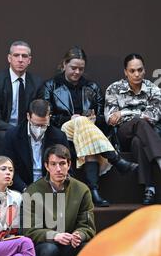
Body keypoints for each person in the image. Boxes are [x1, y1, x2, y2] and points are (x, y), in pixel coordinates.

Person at [44, 46, 137, 207]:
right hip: (63, 131)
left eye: (81, 68)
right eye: (73, 67)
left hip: (87, 134)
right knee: (80, 122)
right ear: (64, 64)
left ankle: (94, 191)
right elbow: (46, 115)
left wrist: (94, 120)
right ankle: (115, 159)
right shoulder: (51, 86)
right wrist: (69, 118)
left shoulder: (92, 87)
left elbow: (104, 117)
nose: (77, 72)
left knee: (86, 133)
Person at [22, 145, 96, 256]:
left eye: (62, 164)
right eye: (53, 164)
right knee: (50, 249)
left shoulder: (81, 190)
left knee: (86, 248)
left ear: (69, 164)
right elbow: (28, 230)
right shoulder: (33, 190)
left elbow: (87, 226)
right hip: (42, 248)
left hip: (68, 245)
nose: (58, 169)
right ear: (46, 166)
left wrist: (78, 235)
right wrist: (54, 235)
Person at [105, 53, 161, 205]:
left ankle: (149, 189)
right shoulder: (114, 89)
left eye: (140, 70)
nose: (137, 74)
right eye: (132, 71)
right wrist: (134, 115)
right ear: (125, 72)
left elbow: (153, 116)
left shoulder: (153, 89)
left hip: (144, 137)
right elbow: (111, 119)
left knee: (138, 141)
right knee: (139, 123)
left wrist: (123, 112)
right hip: (122, 135)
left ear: (144, 70)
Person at [0, 40, 43, 154]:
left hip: (30, 129)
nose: (20, 59)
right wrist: (17, 131)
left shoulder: (37, 83)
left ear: (29, 60)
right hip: (3, 130)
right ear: (9, 58)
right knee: (3, 137)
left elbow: (39, 114)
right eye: (16, 55)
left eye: (24, 56)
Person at [3, 99, 69, 191]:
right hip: (21, 187)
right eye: (35, 125)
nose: (39, 129)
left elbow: (65, 168)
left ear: (49, 117)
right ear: (28, 117)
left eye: (43, 125)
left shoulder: (59, 137)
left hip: (51, 187)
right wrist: (25, 189)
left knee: (58, 203)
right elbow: (8, 167)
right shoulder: (12, 135)